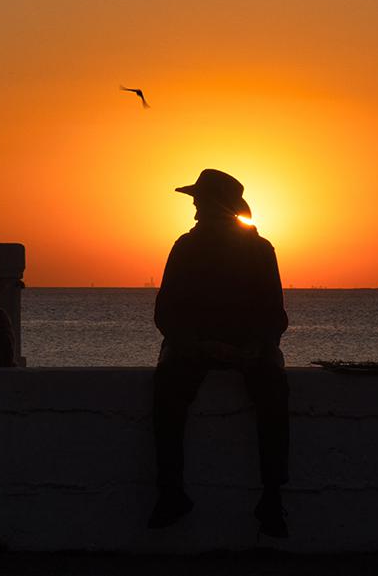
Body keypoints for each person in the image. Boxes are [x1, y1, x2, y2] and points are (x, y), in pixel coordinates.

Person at [148, 169, 290, 537]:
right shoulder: (193, 247)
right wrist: (204, 346)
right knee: (166, 391)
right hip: (199, 346)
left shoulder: (257, 250)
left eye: (199, 203)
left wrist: (253, 347)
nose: (195, 212)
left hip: (242, 347)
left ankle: (272, 496)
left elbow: (274, 315)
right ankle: (171, 491)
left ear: (216, 207)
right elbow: (166, 315)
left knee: (273, 391)